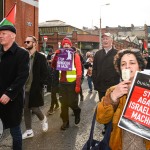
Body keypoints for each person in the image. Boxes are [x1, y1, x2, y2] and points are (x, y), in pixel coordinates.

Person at [96, 48, 150, 150]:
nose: (127, 66)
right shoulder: (112, 91)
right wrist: (113, 97)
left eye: (132, 63)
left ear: (139, 66)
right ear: (120, 69)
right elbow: (101, 118)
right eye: (123, 64)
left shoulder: (148, 90)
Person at [0, 25, 29, 150]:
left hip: (12, 99)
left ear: (13, 35)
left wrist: (9, 93)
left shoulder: (22, 53)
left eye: (4, 33)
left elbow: (22, 76)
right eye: (0, 33)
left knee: (15, 131)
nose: (0, 36)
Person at [52, 37, 82, 130]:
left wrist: (77, 85)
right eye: (64, 44)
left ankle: (77, 112)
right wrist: (56, 56)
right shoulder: (59, 54)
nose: (66, 45)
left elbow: (79, 71)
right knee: (63, 104)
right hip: (63, 83)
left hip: (72, 83)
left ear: (70, 45)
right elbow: (54, 66)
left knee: (72, 103)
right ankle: (65, 122)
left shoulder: (75, 55)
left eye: (67, 44)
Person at [22, 36, 49, 139]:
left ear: (34, 43)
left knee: (34, 108)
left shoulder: (41, 57)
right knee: (26, 109)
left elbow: (45, 73)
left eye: (28, 41)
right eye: (25, 41)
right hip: (24, 87)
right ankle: (29, 131)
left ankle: (43, 119)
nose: (26, 43)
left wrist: (40, 84)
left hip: (35, 87)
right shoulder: (24, 56)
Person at [92, 32, 120, 100]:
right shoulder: (98, 54)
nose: (105, 41)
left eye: (107, 39)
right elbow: (94, 69)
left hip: (113, 87)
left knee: (113, 106)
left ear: (111, 41)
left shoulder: (117, 53)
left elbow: (120, 69)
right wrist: (95, 82)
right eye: (103, 39)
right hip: (101, 86)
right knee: (102, 106)